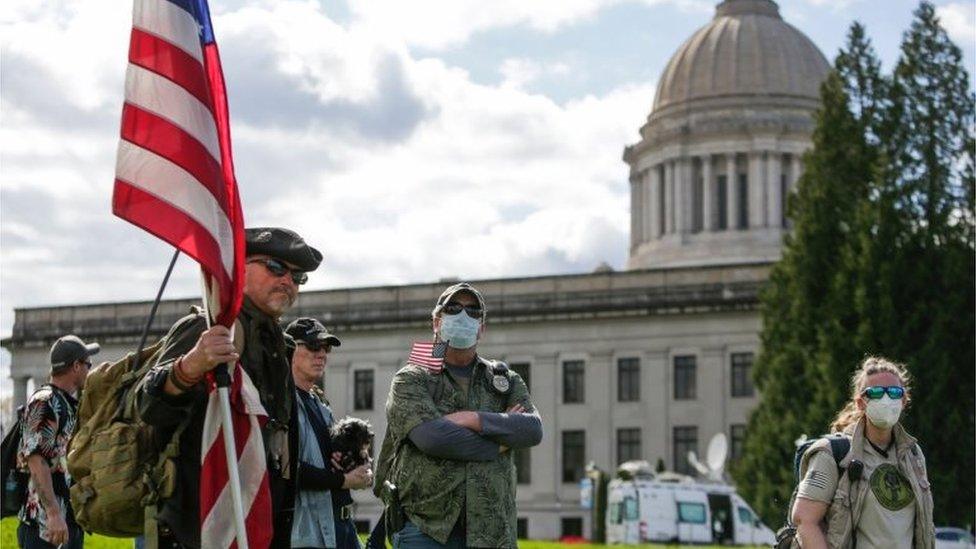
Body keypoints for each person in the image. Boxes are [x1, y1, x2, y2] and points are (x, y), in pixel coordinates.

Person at [137, 227, 322, 548]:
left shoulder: (281, 347)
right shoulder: (207, 327)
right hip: (197, 530)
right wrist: (191, 365)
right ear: (240, 268)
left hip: (258, 525)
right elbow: (147, 408)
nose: (288, 281)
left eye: (298, 277)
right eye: (276, 268)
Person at [379, 282, 544, 549]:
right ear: (436, 321)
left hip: (492, 531)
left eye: (473, 311)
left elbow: (532, 430)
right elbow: (432, 438)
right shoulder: (412, 377)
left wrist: (472, 418)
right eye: (453, 308)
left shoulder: (504, 380)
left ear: (481, 328)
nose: (463, 315)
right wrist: (502, 441)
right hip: (426, 529)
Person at [792, 356, 935, 549]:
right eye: (875, 393)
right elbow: (805, 520)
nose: (886, 399)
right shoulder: (833, 453)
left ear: (904, 400)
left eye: (894, 392)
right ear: (860, 403)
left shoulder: (913, 454)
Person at [285, 317, 372, 549]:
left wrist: (355, 463)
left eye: (326, 348)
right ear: (290, 350)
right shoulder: (282, 403)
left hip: (342, 526)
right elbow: (287, 470)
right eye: (313, 346)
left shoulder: (320, 403)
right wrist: (343, 480)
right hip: (307, 533)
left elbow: (326, 460)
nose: (321, 354)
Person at [17, 335, 100, 549]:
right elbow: (36, 459)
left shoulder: (67, 404)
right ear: (76, 366)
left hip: (66, 526)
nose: (89, 370)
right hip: (44, 529)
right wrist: (53, 514)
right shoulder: (45, 402)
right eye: (87, 365)